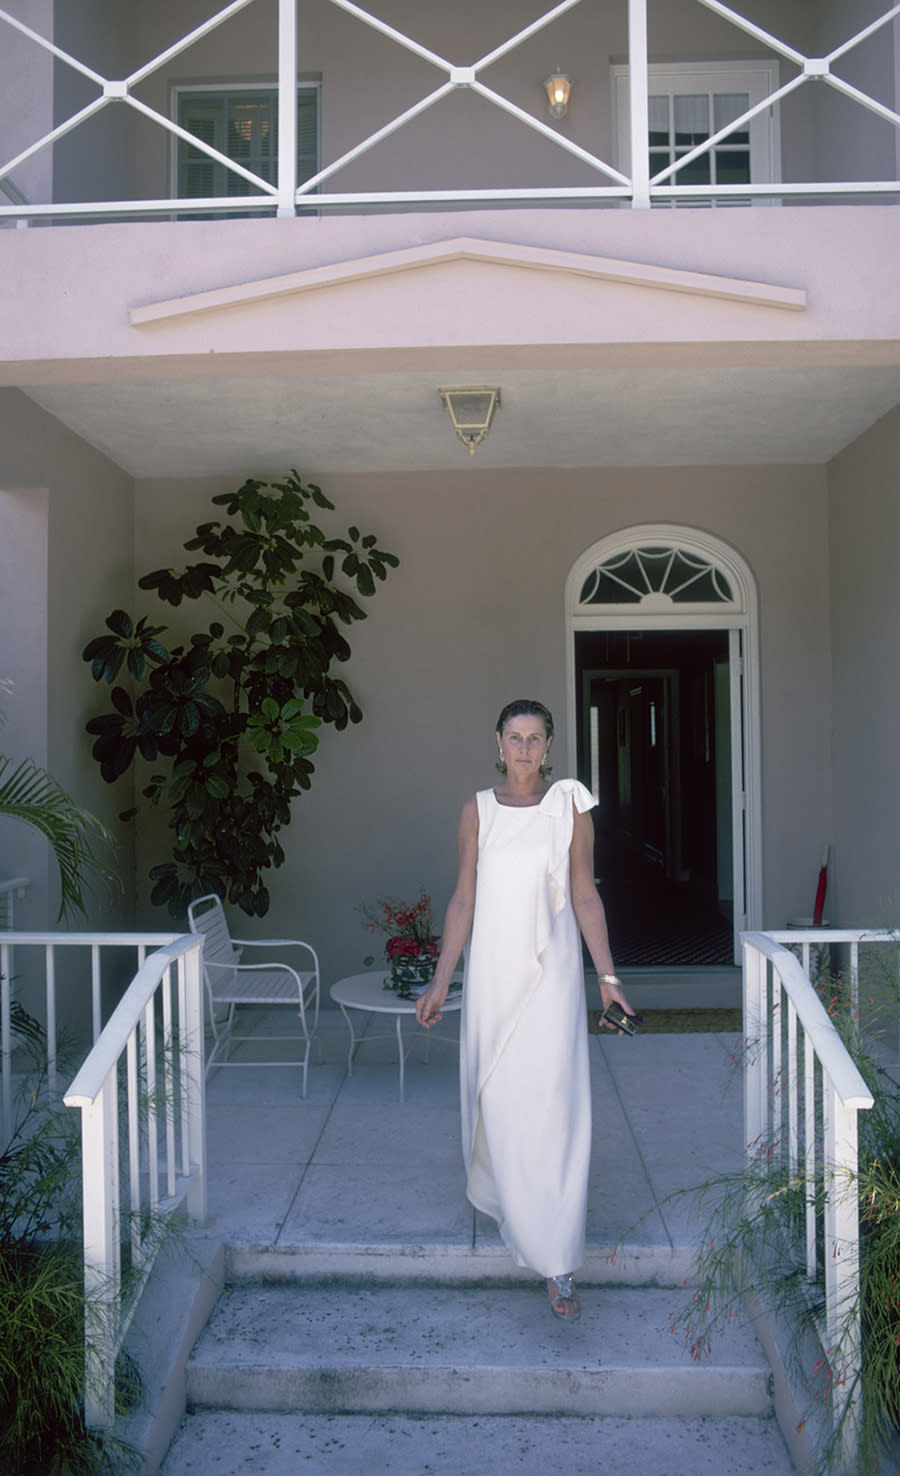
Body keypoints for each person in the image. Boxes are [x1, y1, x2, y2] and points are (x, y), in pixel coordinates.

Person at [416, 698, 635, 1321]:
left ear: (548, 745)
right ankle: (516, 1200)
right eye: (515, 737)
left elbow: (586, 895)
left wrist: (608, 978)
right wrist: (441, 983)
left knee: (556, 1108)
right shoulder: (476, 810)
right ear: (498, 740)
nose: (524, 748)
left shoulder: (570, 806)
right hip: (492, 976)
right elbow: (463, 901)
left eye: (535, 738)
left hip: (554, 975)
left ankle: (560, 1262)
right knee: (502, 1101)